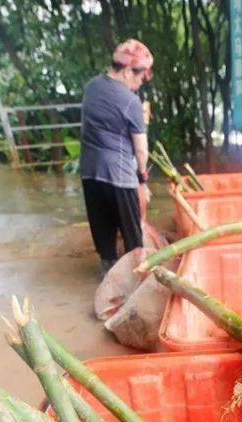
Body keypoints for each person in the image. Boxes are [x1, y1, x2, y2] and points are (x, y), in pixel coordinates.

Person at [80, 39, 153, 277]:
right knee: (133, 238)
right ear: (128, 70)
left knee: (103, 229)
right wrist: (142, 178)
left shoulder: (91, 87)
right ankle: (133, 280)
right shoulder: (131, 101)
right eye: (141, 77)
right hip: (119, 178)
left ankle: (108, 274)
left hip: (90, 173)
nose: (140, 84)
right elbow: (141, 150)